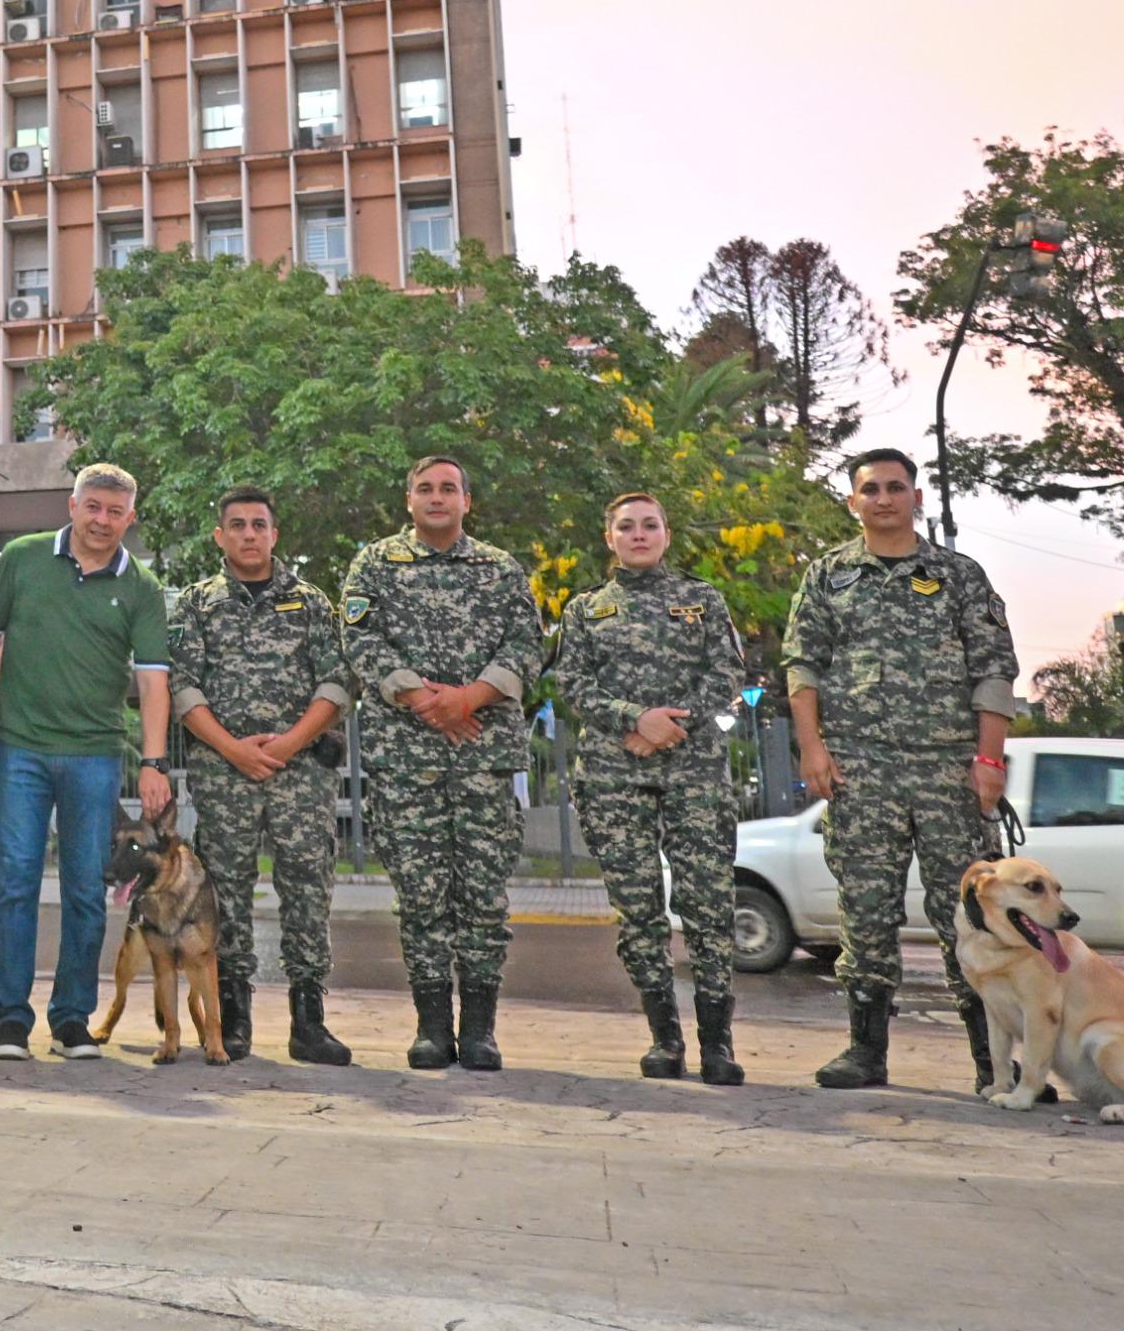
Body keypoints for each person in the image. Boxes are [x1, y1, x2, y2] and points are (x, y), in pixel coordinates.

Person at [785, 448, 1017, 1092]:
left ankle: (993, 1062)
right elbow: (802, 668)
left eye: (896, 487)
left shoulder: (960, 576)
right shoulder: (829, 576)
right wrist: (813, 749)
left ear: (917, 497)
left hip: (948, 773)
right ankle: (866, 1052)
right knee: (864, 912)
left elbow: (994, 671)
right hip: (860, 771)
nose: (883, 498)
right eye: (870, 489)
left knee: (968, 914)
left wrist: (989, 760)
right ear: (853, 501)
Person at [338, 456, 543, 1073]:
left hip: (483, 755)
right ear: (408, 500)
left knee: (482, 897)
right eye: (425, 489)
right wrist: (424, 699)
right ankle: (432, 1028)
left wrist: (468, 699)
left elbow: (527, 644)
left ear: (466, 501)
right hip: (405, 760)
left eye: (448, 488)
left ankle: (479, 1029)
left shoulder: (500, 568)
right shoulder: (374, 563)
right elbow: (360, 639)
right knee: (421, 896)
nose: (436, 497)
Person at [0, 463, 173, 1063]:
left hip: (95, 754)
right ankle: (9, 1018)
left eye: (115, 512)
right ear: (72, 505)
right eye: (93, 507)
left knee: (88, 888)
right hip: (19, 748)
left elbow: (154, 682)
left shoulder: (141, 585)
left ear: (129, 518)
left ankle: (71, 1020)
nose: (102, 520)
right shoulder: (24, 558)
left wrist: (154, 762)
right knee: (13, 882)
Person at [552, 493, 746, 1085]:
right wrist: (634, 719)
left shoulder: (702, 599)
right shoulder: (586, 609)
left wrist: (669, 727)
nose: (639, 535)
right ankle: (665, 1040)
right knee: (638, 912)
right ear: (608, 537)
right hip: (614, 778)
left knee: (709, 908)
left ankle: (718, 1045)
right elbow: (570, 682)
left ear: (666, 534)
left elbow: (730, 673)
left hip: (695, 774)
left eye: (650, 525)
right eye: (626, 527)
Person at [168, 486, 352, 1065]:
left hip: (301, 778)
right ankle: (233, 1019)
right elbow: (182, 685)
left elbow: (338, 682)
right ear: (220, 536)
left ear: (275, 535)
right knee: (224, 895)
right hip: (224, 775)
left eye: (259, 525)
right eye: (237, 525)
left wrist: (291, 743)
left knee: (307, 888)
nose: (249, 534)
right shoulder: (197, 604)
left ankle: (308, 1020)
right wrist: (233, 751)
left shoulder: (312, 603)